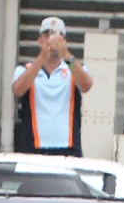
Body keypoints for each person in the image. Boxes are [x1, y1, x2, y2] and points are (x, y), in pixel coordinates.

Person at [12, 16, 94, 157]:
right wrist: (41, 59)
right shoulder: (25, 69)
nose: (52, 40)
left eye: (57, 35)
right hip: (33, 147)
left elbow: (86, 85)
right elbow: (18, 90)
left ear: (64, 41)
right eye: (47, 35)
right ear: (39, 40)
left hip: (68, 148)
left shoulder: (73, 68)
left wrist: (67, 56)